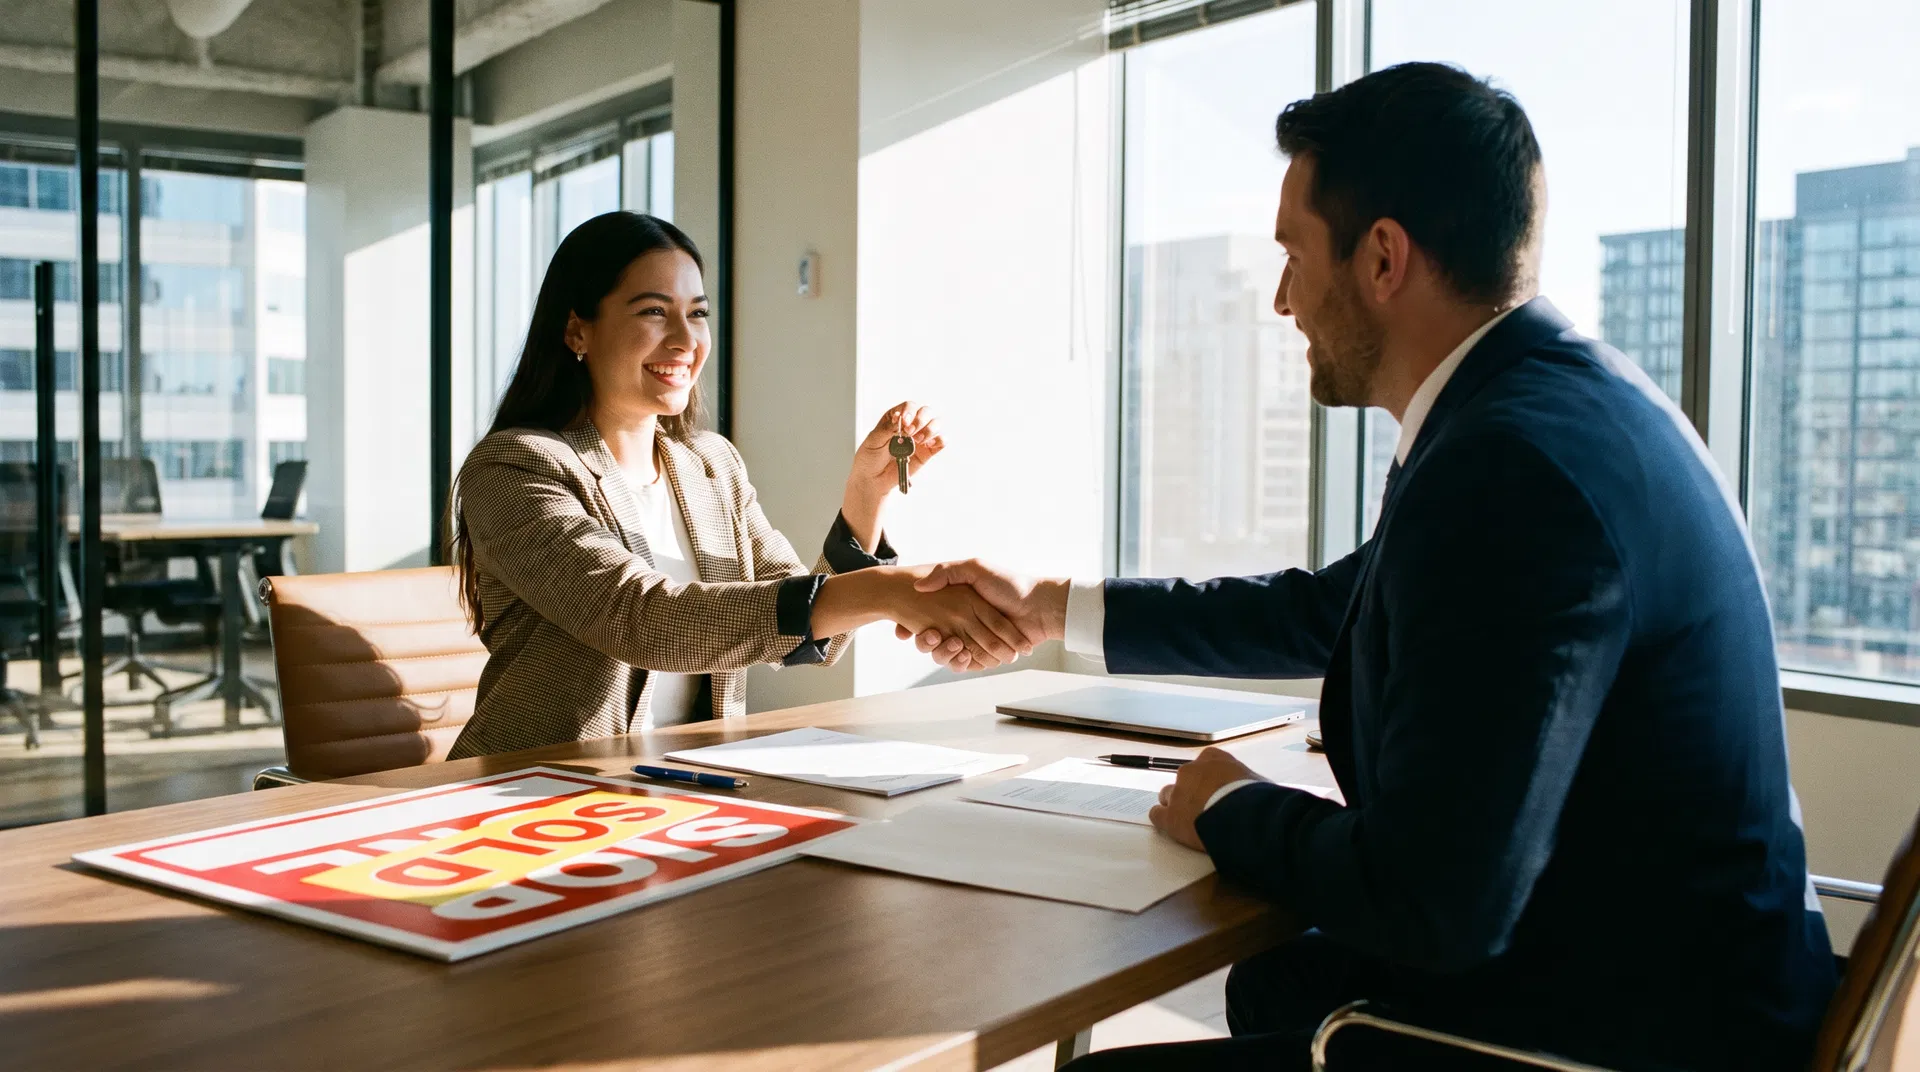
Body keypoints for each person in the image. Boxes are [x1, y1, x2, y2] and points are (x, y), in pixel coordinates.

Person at [902, 63, 1837, 1071]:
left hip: (1631, 1040)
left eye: (1293, 256)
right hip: (1660, 970)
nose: (1282, 300)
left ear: (1383, 258)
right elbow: (1333, 610)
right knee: (1276, 979)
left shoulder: (1511, 468)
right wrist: (1052, 607)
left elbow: (1437, 903)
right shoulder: (1558, 401)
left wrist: (1230, 806)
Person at [446, 211, 1025, 759]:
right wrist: (890, 591)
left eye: (697, 313)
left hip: (686, 780)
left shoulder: (711, 466)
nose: (685, 340)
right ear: (578, 330)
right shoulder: (513, 467)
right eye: (653, 312)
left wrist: (866, 496)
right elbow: (644, 621)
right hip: (536, 786)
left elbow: (809, 633)